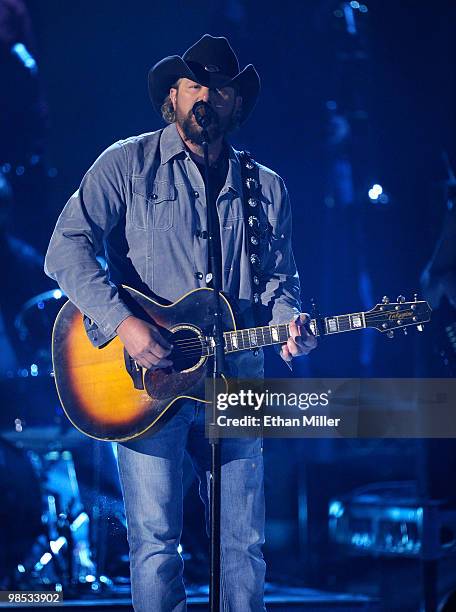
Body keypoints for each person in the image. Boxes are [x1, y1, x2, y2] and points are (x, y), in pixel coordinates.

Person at [45, 34, 317, 611]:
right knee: (155, 547)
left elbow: (279, 280)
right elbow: (64, 248)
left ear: (234, 104)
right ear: (172, 95)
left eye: (220, 89)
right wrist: (124, 323)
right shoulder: (126, 163)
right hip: (144, 382)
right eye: (195, 84)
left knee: (243, 547)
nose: (207, 98)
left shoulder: (266, 187)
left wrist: (292, 320)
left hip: (237, 377)